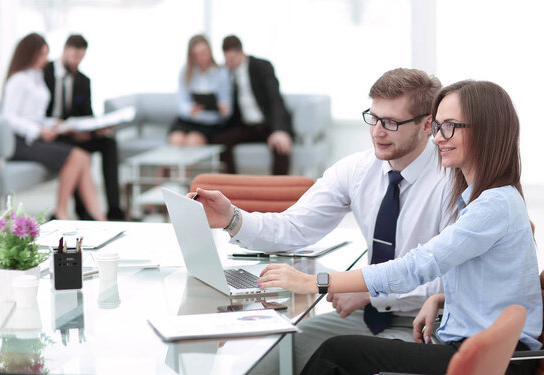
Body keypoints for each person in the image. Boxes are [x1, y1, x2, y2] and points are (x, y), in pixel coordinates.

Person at [257, 80, 543, 375]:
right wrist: (440, 298)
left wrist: (314, 282)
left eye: (449, 127)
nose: (437, 138)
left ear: (485, 131)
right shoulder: (484, 200)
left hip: (493, 359)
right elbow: (493, 285)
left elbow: (416, 266)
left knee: (337, 352)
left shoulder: (493, 205)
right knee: (336, 353)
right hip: (476, 347)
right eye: (438, 127)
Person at [188, 68, 451, 374]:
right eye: (374, 117)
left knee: (328, 363)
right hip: (366, 317)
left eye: (391, 122)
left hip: (428, 324)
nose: (378, 131)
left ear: (427, 125)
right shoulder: (358, 170)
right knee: (267, 361)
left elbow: (454, 278)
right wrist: (232, 219)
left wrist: (371, 291)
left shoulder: (452, 181)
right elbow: (294, 227)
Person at [1, 33, 106, 221]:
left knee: (82, 157)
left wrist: (52, 124)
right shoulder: (18, 80)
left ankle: (99, 216)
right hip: (20, 142)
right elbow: (9, 117)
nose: (45, 60)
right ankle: (61, 211)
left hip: (36, 137)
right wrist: (38, 131)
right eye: (42, 55)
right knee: (75, 157)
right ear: (30, 54)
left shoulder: (36, 76)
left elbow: (35, 116)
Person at [43, 34, 125, 221]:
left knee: (108, 143)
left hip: (74, 133)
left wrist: (96, 129)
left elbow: (86, 114)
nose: (76, 62)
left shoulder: (82, 80)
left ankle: (114, 210)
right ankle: (84, 212)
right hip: (52, 133)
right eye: (73, 57)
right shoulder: (44, 73)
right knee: (78, 152)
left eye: (80, 58)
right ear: (64, 50)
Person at [212, 35, 294, 175]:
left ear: (241, 53)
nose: (230, 63)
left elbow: (275, 99)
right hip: (246, 126)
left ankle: (278, 191)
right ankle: (230, 186)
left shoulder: (262, 67)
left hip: (267, 124)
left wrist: (280, 129)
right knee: (221, 141)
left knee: (280, 145)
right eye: (227, 60)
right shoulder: (226, 73)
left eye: (232, 59)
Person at [168, 34, 231, 147]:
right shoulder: (186, 72)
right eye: (196, 55)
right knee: (176, 140)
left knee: (192, 141)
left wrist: (222, 109)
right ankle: (170, 164)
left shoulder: (221, 73)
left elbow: (227, 108)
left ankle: (180, 165)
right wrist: (190, 109)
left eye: (203, 53)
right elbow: (181, 102)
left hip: (208, 124)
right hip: (186, 121)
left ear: (210, 51)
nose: (201, 58)